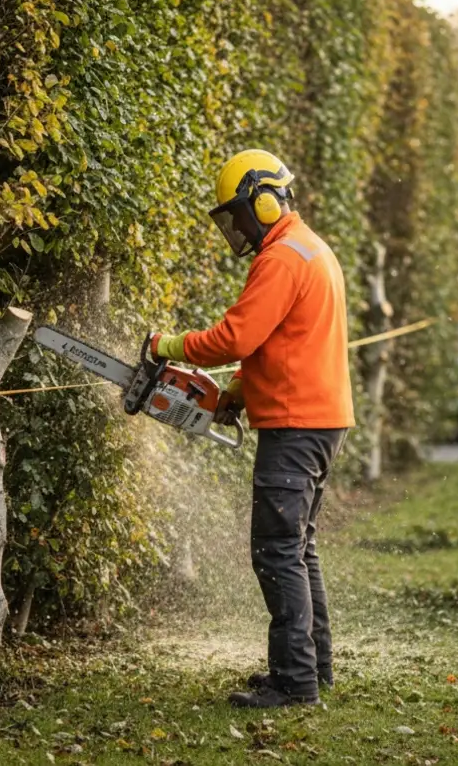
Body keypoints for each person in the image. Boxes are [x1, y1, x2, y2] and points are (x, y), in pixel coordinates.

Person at [150, 149, 355, 708]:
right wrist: (238, 391)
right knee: (298, 547)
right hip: (320, 419)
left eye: (237, 214)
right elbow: (280, 342)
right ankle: (315, 669)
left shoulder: (282, 257)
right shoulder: (310, 247)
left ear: (264, 201)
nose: (235, 227)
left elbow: (236, 337)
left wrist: (167, 346)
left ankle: (295, 682)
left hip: (296, 423)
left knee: (276, 550)